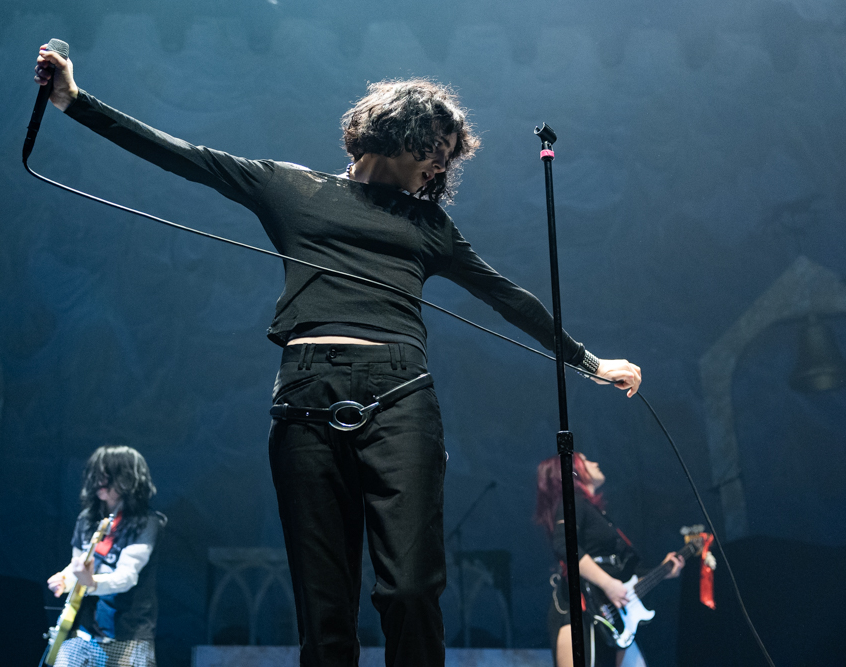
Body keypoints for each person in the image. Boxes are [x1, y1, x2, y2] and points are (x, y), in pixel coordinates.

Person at [33, 45, 642, 667]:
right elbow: (184, 155)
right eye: (436, 147)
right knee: (325, 615)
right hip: (305, 399)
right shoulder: (291, 187)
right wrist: (73, 102)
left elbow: (507, 296)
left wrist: (589, 363)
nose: (441, 165)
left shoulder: (429, 226)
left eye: (448, 158)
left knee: (409, 590)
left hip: (400, 398)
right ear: (400, 128)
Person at [535, 453, 684, 667]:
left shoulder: (596, 512)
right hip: (583, 609)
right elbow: (564, 544)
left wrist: (663, 570)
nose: (595, 463)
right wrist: (608, 584)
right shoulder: (573, 502)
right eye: (586, 461)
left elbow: (626, 572)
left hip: (613, 619)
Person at [47, 445, 165, 667]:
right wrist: (64, 579)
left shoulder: (147, 523)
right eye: (97, 473)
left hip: (127, 630)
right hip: (83, 627)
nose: (100, 480)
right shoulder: (87, 519)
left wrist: (90, 583)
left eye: (108, 475)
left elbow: (127, 576)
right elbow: (78, 565)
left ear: (128, 479)